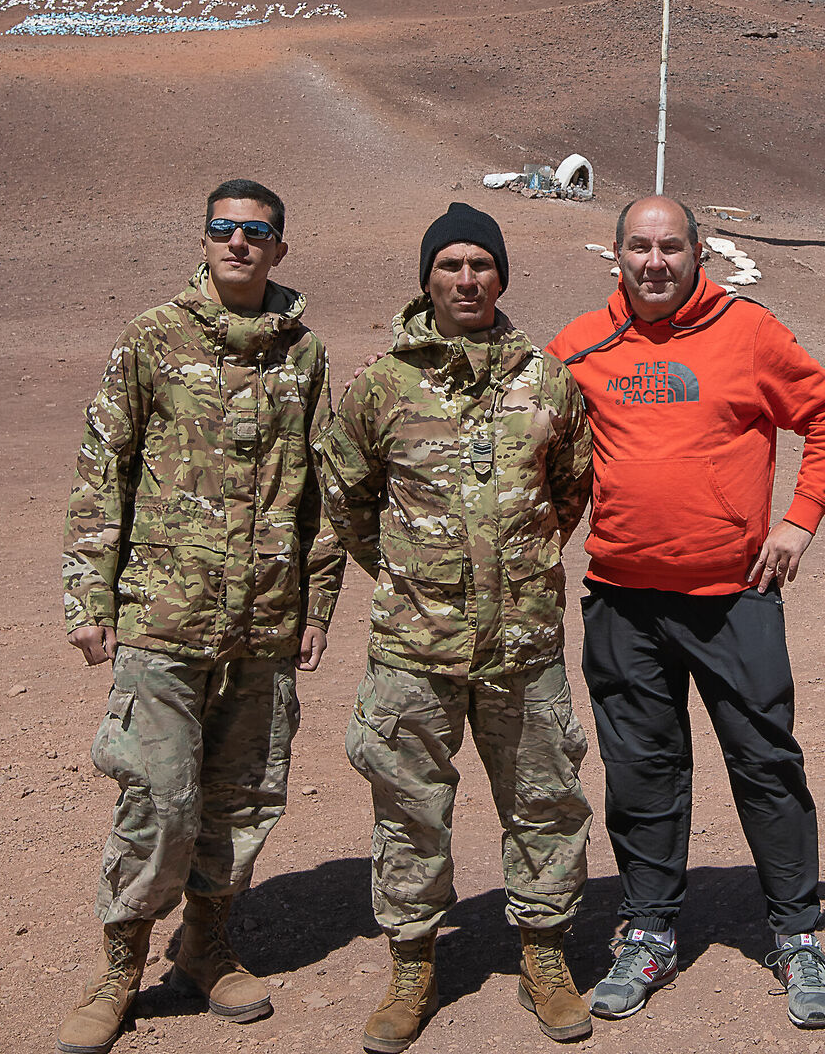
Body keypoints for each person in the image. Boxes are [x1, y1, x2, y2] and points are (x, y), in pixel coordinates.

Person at [549, 197, 825, 1030]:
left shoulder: (748, 330)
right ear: (615, 254)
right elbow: (524, 440)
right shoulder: (578, 346)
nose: (656, 262)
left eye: (672, 247)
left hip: (734, 598)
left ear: (699, 253)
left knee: (766, 762)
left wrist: (798, 522)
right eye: (640, 247)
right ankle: (649, 929)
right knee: (641, 769)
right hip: (623, 601)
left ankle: (796, 931)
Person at [55, 181, 339, 1054]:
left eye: (257, 232)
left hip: (265, 619)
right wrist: (87, 595)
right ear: (205, 239)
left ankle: (206, 945)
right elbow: (104, 468)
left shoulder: (305, 354)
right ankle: (119, 964)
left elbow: (320, 495)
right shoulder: (152, 338)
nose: (239, 243)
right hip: (163, 615)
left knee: (244, 794)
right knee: (158, 794)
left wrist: (316, 601)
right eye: (224, 229)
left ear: (280, 248)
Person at [318, 203, 597, 1052]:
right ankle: (412, 964)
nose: (467, 279)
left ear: (502, 277)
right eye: (450, 266)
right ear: (427, 280)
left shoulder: (546, 379)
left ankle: (544, 957)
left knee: (546, 800)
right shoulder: (380, 385)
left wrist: (518, 570)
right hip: (414, 647)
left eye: (482, 264)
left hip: (523, 647)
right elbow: (348, 501)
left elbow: (572, 488)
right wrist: (412, 577)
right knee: (409, 807)